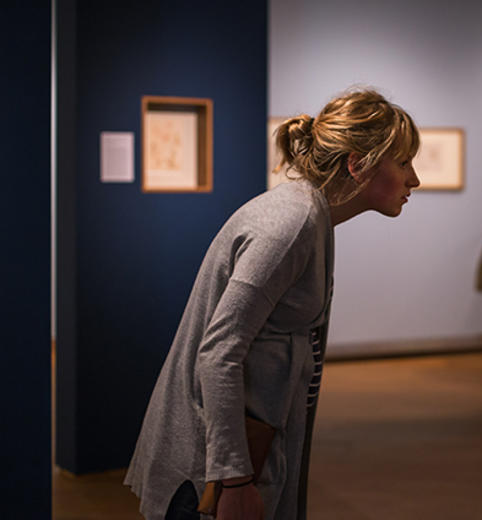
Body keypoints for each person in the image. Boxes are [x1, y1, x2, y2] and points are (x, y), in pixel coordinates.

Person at [124, 88, 420, 520]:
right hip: (210, 474)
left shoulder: (311, 216)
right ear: (359, 164)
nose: (414, 180)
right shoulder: (290, 224)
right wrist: (234, 479)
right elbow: (219, 351)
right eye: (405, 162)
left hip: (249, 454)